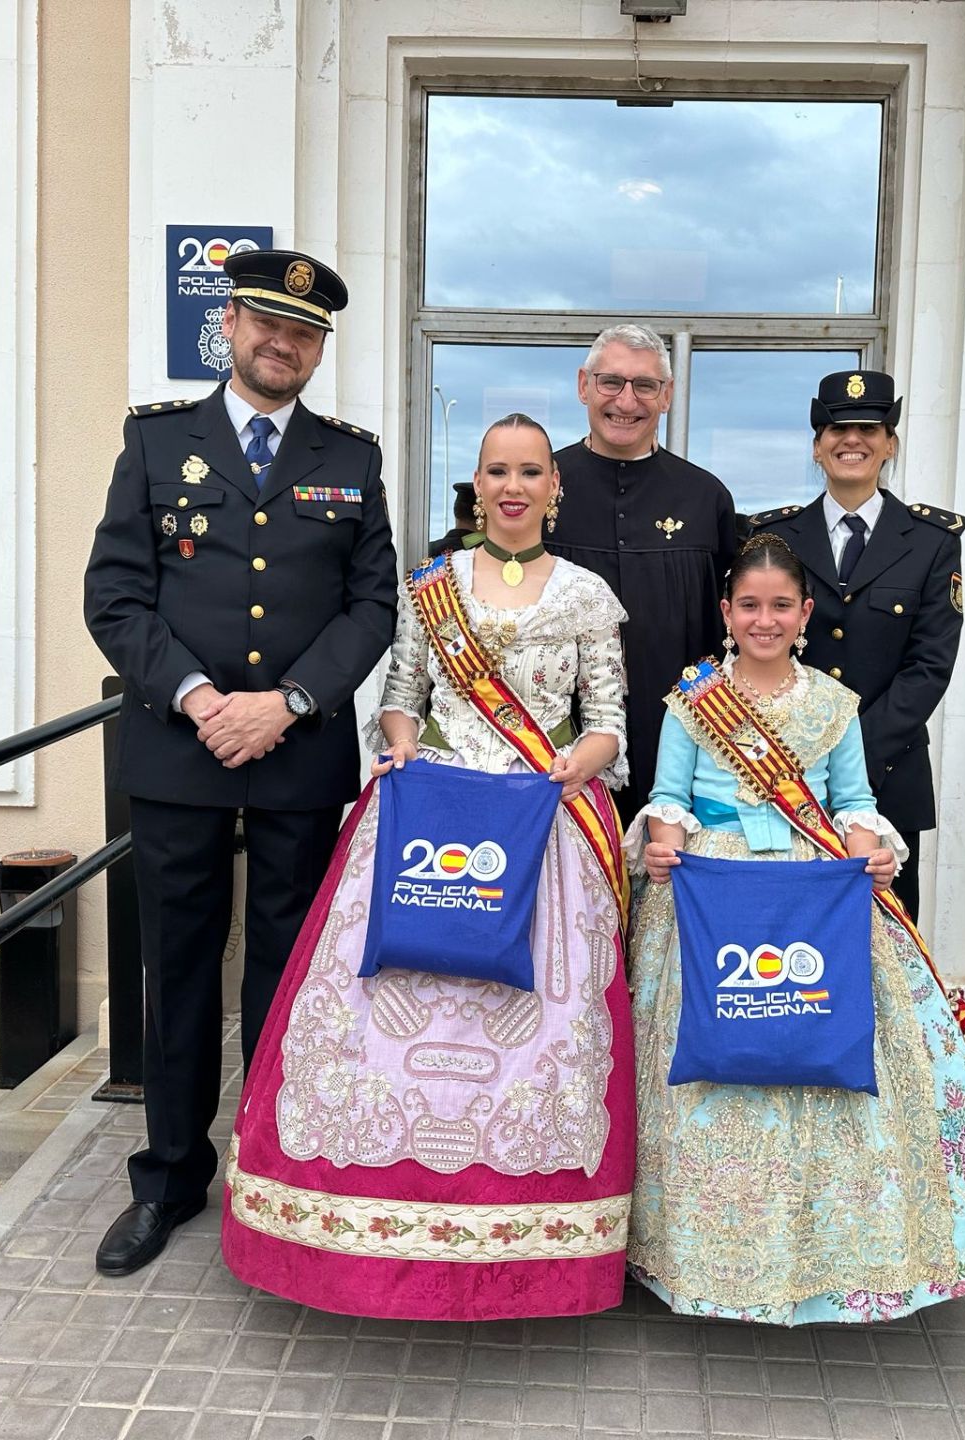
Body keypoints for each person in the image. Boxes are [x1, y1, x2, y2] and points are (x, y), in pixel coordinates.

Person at [221, 413, 636, 1320]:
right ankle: (359, 1232)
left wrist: (578, 763)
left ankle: (534, 1245)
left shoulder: (589, 596)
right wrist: (403, 745)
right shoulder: (432, 587)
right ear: (477, 484)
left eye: (531, 471)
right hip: (433, 824)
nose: (514, 486)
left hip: (544, 820)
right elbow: (401, 698)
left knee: (539, 1036)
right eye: (498, 471)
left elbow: (609, 720)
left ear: (554, 486)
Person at [624, 533, 965, 1324]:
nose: (765, 619)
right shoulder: (692, 702)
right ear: (726, 612)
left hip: (811, 888)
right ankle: (695, 1257)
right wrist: (664, 844)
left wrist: (872, 852)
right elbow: (667, 793)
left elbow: (849, 802)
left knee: (824, 1043)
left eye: (781, 605)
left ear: (806, 613)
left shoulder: (832, 705)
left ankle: (844, 1257)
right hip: (714, 892)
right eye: (750, 605)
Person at [83, 248, 398, 1277]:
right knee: (175, 970)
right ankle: (171, 1175)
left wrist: (291, 702)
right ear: (230, 324)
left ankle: (271, 1174)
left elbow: (371, 607)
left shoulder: (354, 459)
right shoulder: (156, 441)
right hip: (180, 754)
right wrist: (202, 699)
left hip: (298, 758)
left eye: (304, 331)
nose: (284, 342)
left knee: (287, 975)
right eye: (267, 323)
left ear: (320, 348)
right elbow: (116, 596)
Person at [748, 370, 963, 921]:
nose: (853, 440)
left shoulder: (932, 543)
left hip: (887, 772)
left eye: (869, 427)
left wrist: (849, 754)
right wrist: (802, 752)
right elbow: (755, 647)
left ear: (890, 443)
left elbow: (930, 665)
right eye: (837, 429)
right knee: (790, 928)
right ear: (817, 447)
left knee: (886, 935)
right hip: (787, 769)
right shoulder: (772, 539)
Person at [548, 324, 736, 822]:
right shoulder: (541, 489)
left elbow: (726, 636)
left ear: (667, 395)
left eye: (645, 385)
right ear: (583, 385)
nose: (626, 401)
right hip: (558, 751)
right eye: (611, 382)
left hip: (677, 749)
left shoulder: (705, 498)